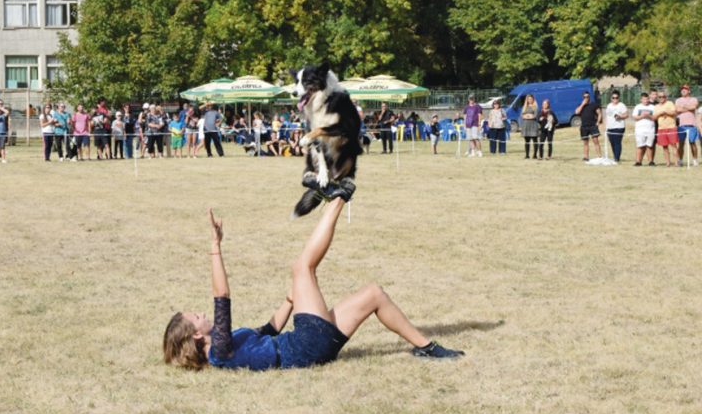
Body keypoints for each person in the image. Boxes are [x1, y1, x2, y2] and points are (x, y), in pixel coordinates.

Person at [163, 198, 465, 372]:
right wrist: (215, 246)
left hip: (311, 348)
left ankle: (427, 347)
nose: (203, 313)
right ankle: (337, 198)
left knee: (374, 294)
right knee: (302, 268)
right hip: (305, 347)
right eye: (197, 317)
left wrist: (290, 300)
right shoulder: (218, 352)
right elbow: (222, 295)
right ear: (196, 334)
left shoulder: (227, 342)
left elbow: (269, 330)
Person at [653, 90, 679, 167]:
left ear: (666, 97)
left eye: (663, 96)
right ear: (658, 98)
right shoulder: (656, 107)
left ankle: (676, 163)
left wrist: (666, 112)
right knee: (664, 146)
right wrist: (660, 113)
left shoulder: (670, 103)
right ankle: (668, 163)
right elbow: (654, 117)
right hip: (661, 129)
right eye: (660, 97)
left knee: (674, 145)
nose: (661, 98)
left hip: (671, 127)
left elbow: (674, 113)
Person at [675, 84, 699, 166]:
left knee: (692, 142)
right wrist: (687, 108)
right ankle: (680, 160)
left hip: (691, 124)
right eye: (682, 89)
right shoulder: (678, 100)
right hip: (681, 125)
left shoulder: (694, 99)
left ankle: (695, 160)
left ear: (689, 91)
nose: (683, 90)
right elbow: (677, 109)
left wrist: (683, 108)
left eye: (685, 89)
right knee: (681, 143)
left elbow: (693, 107)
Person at [574, 92, 602, 161]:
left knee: (596, 141)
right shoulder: (580, 105)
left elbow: (599, 113)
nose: (586, 98)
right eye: (585, 97)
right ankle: (586, 157)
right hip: (584, 126)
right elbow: (577, 112)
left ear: (589, 97)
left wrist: (598, 122)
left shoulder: (594, 105)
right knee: (585, 142)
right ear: (583, 98)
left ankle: (599, 157)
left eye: (587, 97)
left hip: (593, 126)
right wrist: (582, 104)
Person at [632, 92, 655, 166]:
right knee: (640, 146)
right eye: (644, 99)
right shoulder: (637, 107)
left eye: (647, 99)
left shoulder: (652, 107)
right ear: (641, 99)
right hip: (640, 130)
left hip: (650, 129)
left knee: (650, 146)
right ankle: (638, 161)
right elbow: (635, 117)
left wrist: (648, 116)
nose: (646, 101)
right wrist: (642, 116)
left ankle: (650, 161)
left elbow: (655, 118)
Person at [605, 90, 628, 162]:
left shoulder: (621, 105)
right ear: (611, 98)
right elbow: (607, 116)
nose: (615, 99)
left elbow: (626, 115)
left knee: (617, 142)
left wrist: (620, 117)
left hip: (619, 127)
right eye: (613, 98)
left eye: (616, 98)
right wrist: (605, 125)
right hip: (610, 127)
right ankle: (615, 156)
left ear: (619, 98)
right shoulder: (609, 105)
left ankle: (617, 158)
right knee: (612, 143)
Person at [520, 95, 539, 159]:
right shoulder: (524, 107)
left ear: (533, 99)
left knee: (535, 140)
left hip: (533, 125)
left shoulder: (535, 107)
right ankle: (527, 155)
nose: (530, 100)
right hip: (526, 126)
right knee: (527, 141)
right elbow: (522, 116)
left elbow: (535, 116)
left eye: (531, 99)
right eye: (528, 99)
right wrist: (528, 116)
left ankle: (535, 155)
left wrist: (529, 116)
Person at [646, 89, 659, 166]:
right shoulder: (646, 104)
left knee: (653, 144)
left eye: (656, 94)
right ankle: (648, 160)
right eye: (653, 94)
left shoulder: (658, 104)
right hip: (648, 126)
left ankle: (651, 160)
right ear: (649, 95)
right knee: (647, 144)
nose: (655, 96)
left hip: (656, 125)